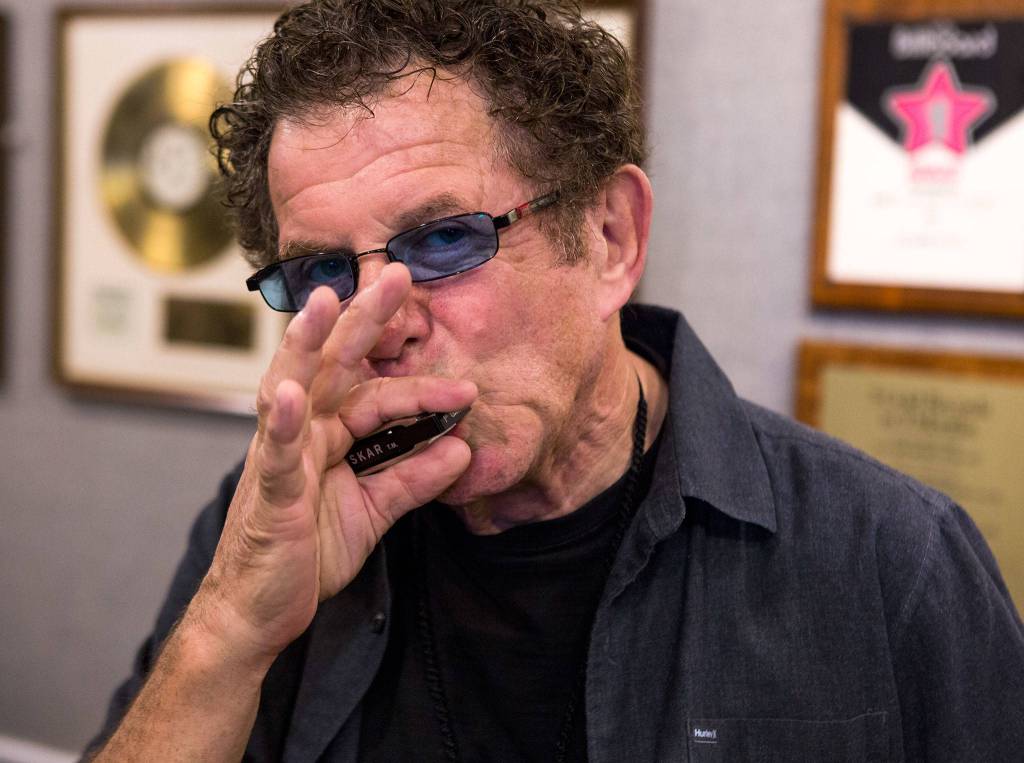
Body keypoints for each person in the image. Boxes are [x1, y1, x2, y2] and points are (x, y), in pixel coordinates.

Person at [86, 1, 1024, 761]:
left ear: (613, 238)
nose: (381, 322)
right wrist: (230, 628)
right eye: (326, 273)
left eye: (446, 239)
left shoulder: (891, 562)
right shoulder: (279, 523)